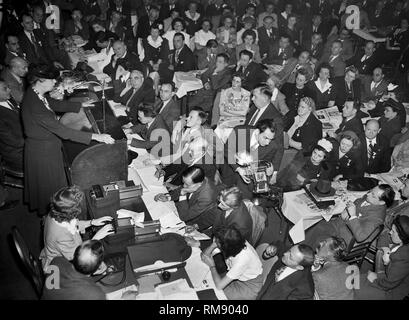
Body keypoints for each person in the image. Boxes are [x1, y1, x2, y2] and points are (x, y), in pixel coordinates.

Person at [22, 65, 115, 215]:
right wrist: (97, 136)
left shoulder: (35, 93)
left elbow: (52, 104)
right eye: (51, 79)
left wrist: (79, 105)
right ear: (40, 81)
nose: (54, 82)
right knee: (50, 189)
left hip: (47, 146)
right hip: (43, 153)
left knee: (54, 185)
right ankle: (56, 215)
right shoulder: (35, 106)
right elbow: (63, 131)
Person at [40, 185, 113, 271]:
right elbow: (78, 257)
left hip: (67, 250)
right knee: (101, 267)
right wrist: (96, 238)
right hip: (59, 265)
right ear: (71, 214)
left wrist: (92, 222)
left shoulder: (56, 212)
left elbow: (72, 224)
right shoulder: (61, 236)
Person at [308, 184, 395, 248]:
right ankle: (301, 250)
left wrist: (352, 215)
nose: (368, 194)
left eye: (373, 195)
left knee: (320, 240)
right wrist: (348, 211)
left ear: (382, 202)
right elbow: (357, 202)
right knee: (316, 226)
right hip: (339, 224)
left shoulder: (377, 218)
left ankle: (307, 259)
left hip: (345, 238)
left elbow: (360, 237)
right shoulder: (370, 198)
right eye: (371, 191)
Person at [221, 119, 283, 199]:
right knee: (225, 195)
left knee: (243, 200)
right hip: (230, 168)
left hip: (248, 178)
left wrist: (269, 169)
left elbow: (265, 162)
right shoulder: (239, 131)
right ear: (257, 132)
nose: (267, 142)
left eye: (270, 139)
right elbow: (227, 151)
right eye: (265, 138)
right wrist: (239, 169)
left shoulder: (272, 145)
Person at [200, 226, 263, 300]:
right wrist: (213, 244)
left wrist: (212, 266)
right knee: (207, 279)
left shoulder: (241, 260)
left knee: (213, 291)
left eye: (217, 243)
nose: (216, 242)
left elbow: (219, 286)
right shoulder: (232, 241)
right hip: (238, 276)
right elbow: (204, 256)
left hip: (249, 286)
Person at [355, 215, 409, 300]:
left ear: (402, 236)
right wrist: (386, 250)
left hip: (392, 292)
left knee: (355, 291)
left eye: (393, 231)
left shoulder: (403, 257)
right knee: (355, 280)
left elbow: (389, 284)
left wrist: (375, 279)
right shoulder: (402, 241)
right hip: (387, 278)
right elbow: (384, 236)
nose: (390, 232)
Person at [155, 166, 219, 231]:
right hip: (182, 209)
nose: (184, 186)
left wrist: (183, 193)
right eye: (183, 182)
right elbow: (182, 188)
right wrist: (168, 197)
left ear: (199, 184)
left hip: (190, 222)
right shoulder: (198, 180)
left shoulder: (207, 197)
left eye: (187, 184)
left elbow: (184, 216)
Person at [42, 240, 106, 300]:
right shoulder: (96, 295)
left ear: (74, 255)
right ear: (99, 267)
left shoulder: (57, 261)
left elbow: (52, 289)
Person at [0, 80, 24, 171]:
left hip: (26, 140)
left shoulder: (9, 99)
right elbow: (14, 142)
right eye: (5, 89)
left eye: (8, 87)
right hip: (16, 152)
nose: (9, 90)